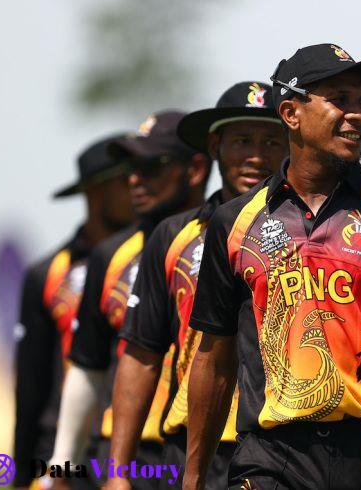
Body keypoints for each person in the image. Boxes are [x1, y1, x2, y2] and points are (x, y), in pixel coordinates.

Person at [183, 43, 361, 490]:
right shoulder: (234, 222)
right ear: (291, 113)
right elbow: (214, 358)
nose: (359, 115)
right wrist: (193, 479)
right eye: (340, 99)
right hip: (269, 458)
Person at [105, 81, 288, 489]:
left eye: (271, 141)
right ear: (214, 146)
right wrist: (117, 472)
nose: (256, 156)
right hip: (190, 445)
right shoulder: (174, 236)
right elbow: (141, 354)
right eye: (242, 140)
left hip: (279, 445)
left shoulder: (314, 233)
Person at [50, 111, 211, 489]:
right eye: (129, 168)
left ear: (196, 169)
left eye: (151, 165)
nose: (135, 179)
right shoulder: (110, 255)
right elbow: (87, 367)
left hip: (197, 452)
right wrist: (59, 470)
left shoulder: (229, 242)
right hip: (122, 456)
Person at [13, 135, 134, 489]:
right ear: (96, 190)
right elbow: (31, 384)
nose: (140, 185)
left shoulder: (153, 258)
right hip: (60, 452)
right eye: (126, 179)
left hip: (133, 447)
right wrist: (22, 476)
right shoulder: (48, 273)